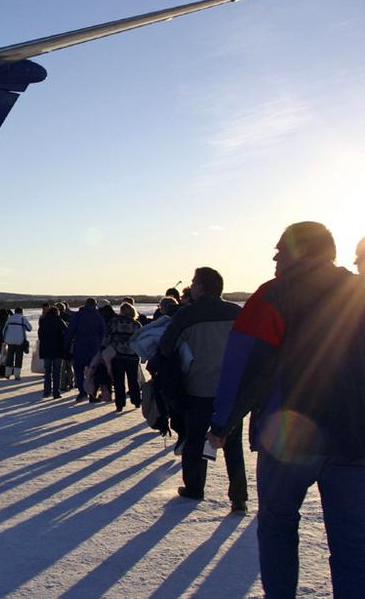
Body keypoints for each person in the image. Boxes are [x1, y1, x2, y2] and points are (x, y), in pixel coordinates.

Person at [209, 222, 365, 598]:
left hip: (288, 439)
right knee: (352, 543)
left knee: (278, 527)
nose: (275, 256)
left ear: (301, 251)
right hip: (354, 438)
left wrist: (221, 422)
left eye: (281, 249)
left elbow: (241, 366)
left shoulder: (272, 296)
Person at [159, 267, 245, 511]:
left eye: (194, 282)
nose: (192, 285)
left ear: (201, 287)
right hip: (231, 390)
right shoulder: (236, 312)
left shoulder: (187, 315)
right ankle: (239, 497)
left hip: (199, 388)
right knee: (233, 443)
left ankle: (195, 487)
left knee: (195, 440)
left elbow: (166, 347)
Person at [104, 302, 142, 412]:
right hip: (132, 356)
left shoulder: (114, 322)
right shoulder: (136, 324)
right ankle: (136, 401)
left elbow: (107, 336)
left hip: (118, 355)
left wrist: (103, 347)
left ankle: (119, 404)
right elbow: (140, 339)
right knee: (133, 380)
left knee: (118, 381)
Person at [66, 298, 106, 402]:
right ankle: (93, 394)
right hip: (94, 348)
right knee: (92, 371)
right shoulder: (98, 316)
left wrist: (66, 346)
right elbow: (103, 333)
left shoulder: (78, 316)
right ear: (95, 305)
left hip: (79, 347)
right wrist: (102, 347)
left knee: (79, 371)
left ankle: (82, 392)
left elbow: (70, 331)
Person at [38, 305, 67, 398]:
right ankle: (56, 392)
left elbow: (40, 336)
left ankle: (46, 392)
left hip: (46, 350)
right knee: (57, 372)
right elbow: (66, 333)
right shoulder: (60, 321)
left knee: (47, 372)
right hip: (58, 350)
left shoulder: (43, 321)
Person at [2, 307, 32, 381]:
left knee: (10, 358)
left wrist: (6, 339)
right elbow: (29, 328)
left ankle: (7, 374)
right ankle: (17, 375)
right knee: (18, 358)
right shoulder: (22, 318)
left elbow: (4, 330)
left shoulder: (10, 318)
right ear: (21, 312)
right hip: (20, 342)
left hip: (10, 341)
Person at [0, 309, 11, 377]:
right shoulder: (8, 320)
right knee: (6, 355)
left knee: (3, 355)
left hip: (2, 340)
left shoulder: (1, 320)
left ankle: (3, 371)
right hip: (8, 339)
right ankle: (9, 370)